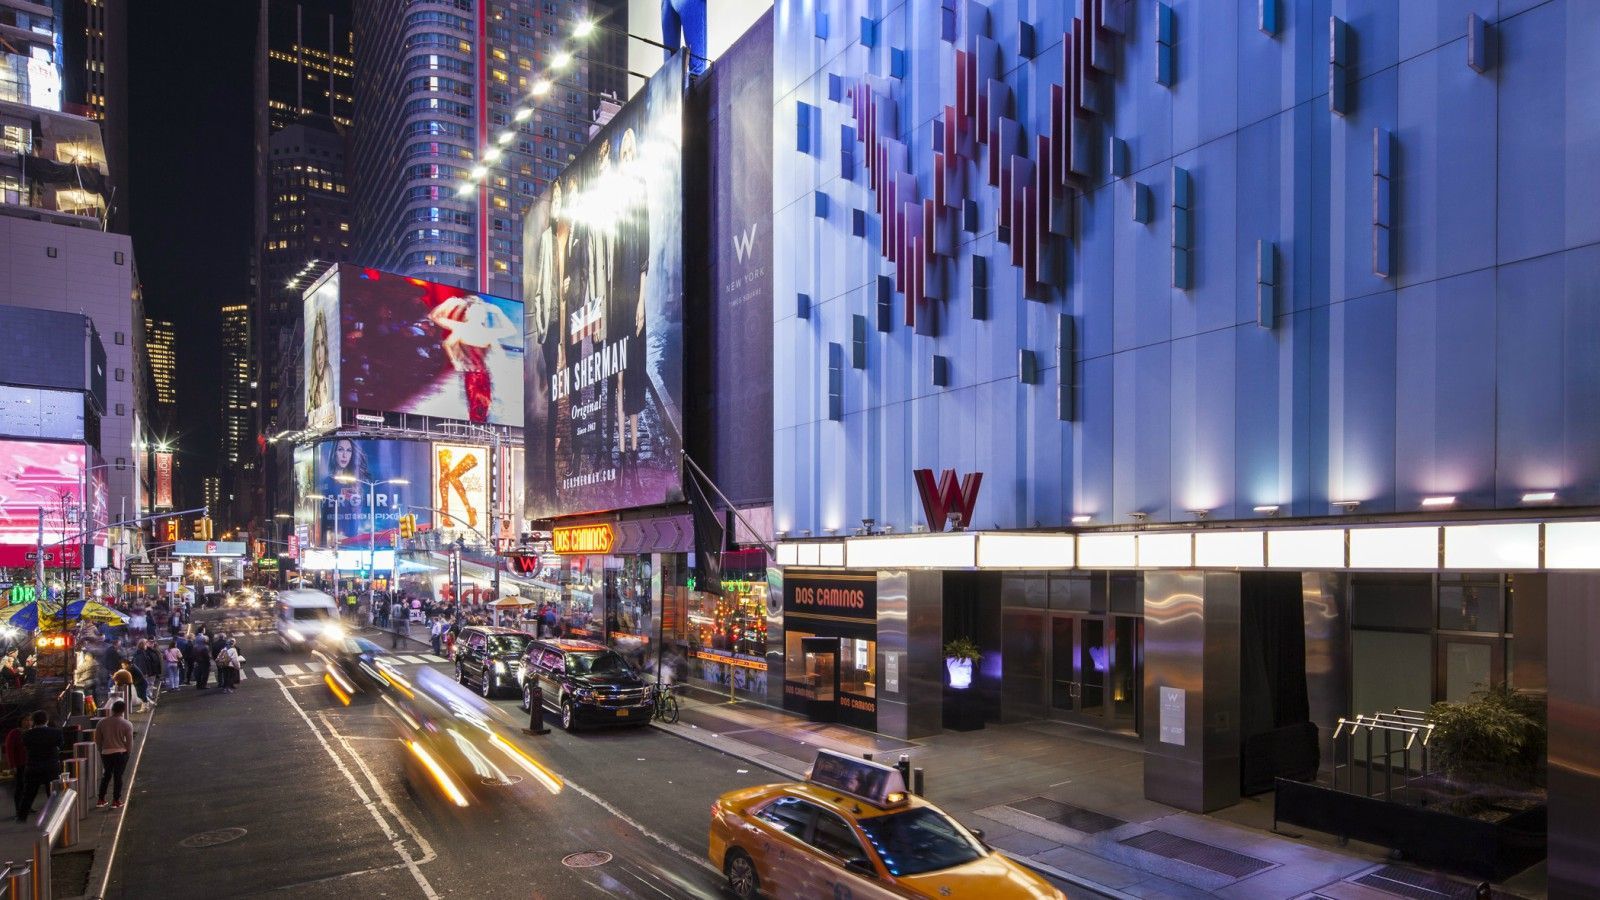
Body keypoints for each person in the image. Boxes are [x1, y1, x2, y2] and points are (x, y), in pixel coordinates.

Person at [15, 710, 62, 821]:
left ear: (34, 721)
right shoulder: (56, 732)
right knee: (52, 793)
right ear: (46, 720)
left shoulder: (27, 734)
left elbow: (25, 745)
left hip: (33, 767)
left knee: (28, 794)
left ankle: (21, 817)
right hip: (51, 767)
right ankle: (54, 816)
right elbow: (60, 744)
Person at [93, 700, 133, 809]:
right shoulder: (126, 724)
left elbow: (98, 739)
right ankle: (116, 800)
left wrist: (101, 750)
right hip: (121, 753)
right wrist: (128, 753)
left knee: (106, 775)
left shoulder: (101, 722)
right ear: (123, 710)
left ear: (112, 709)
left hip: (106, 752)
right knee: (118, 776)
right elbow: (129, 742)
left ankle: (101, 799)